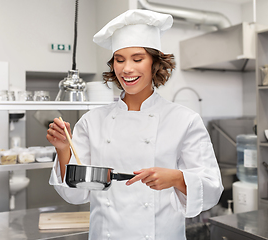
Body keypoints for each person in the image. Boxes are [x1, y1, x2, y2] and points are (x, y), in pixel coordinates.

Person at [46, 9, 223, 240]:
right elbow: (76, 195)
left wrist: (177, 178)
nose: (126, 68)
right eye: (119, 60)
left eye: (137, 59)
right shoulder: (92, 121)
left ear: (155, 64)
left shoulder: (184, 120)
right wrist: (63, 150)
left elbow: (211, 190)